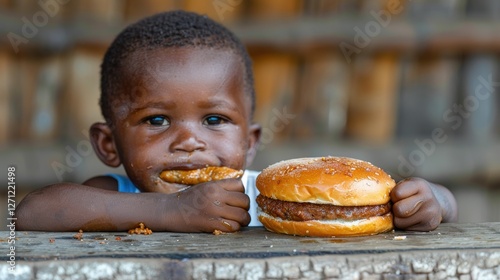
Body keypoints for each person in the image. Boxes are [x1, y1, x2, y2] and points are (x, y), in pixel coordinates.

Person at [16, 10, 457, 233]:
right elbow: (31, 213)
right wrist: (169, 211)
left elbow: (446, 205)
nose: (189, 141)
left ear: (249, 141)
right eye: (155, 120)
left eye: (213, 119)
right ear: (109, 145)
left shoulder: (265, 194)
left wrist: (431, 200)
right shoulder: (117, 196)